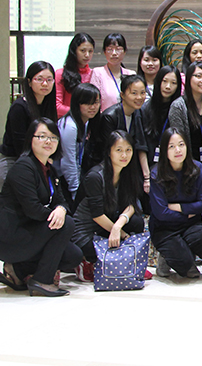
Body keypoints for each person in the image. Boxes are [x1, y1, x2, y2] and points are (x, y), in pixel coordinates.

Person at [0, 119, 82, 296]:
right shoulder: (23, 167)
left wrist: (61, 209)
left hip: (31, 232)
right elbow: (33, 210)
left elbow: (62, 201)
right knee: (65, 224)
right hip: (12, 237)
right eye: (42, 136)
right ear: (31, 139)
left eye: (53, 137)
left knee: (73, 256)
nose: (48, 141)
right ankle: (42, 280)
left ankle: (18, 271)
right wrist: (58, 215)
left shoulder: (49, 170)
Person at [72, 130, 146, 265]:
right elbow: (97, 216)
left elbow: (131, 203)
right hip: (87, 229)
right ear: (108, 152)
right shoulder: (95, 177)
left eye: (128, 150)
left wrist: (118, 226)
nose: (124, 155)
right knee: (97, 250)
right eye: (119, 150)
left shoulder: (127, 172)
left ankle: (127, 263)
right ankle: (88, 263)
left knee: (137, 222)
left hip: (109, 223)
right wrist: (122, 234)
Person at [149, 128, 202, 278]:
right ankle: (169, 256)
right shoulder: (156, 174)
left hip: (191, 224)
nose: (177, 150)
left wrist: (180, 207)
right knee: (184, 262)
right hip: (164, 228)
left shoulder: (198, 169)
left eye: (181, 144)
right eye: (171, 146)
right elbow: (161, 213)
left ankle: (182, 252)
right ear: (164, 150)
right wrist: (188, 214)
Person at [1, 62, 59, 187]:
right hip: (15, 159)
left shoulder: (49, 106)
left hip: (41, 159)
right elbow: (20, 145)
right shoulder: (19, 107)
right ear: (29, 82)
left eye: (49, 80)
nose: (45, 84)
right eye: (39, 79)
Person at [168, 61, 202, 170]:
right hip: (186, 166)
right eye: (198, 76)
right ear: (189, 78)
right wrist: (193, 167)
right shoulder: (178, 106)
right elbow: (179, 142)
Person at [57, 83, 101, 199]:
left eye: (96, 102)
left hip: (72, 176)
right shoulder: (70, 126)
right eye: (87, 103)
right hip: (60, 179)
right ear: (77, 103)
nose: (93, 107)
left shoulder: (85, 122)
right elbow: (68, 161)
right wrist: (75, 191)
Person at [137, 65, 181, 169]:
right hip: (148, 163)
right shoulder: (144, 109)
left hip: (173, 163)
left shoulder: (179, 109)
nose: (168, 86)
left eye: (173, 83)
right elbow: (140, 143)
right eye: (164, 81)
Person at [90, 33, 135, 111]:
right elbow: (94, 101)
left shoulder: (131, 74)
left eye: (118, 49)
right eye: (110, 49)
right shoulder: (97, 73)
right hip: (105, 117)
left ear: (124, 51)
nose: (114, 53)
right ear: (104, 52)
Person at [55, 33, 95, 117]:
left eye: (90, 51)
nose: (87, 55)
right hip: (66, 120)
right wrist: (80, 112)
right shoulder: (60, 73)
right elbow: (57, 106)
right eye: (83, 50)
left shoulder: (94, 74)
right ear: (74, 51)